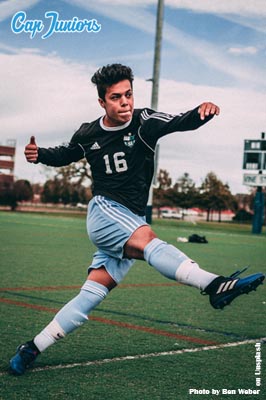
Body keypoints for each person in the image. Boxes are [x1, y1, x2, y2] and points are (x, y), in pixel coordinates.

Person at [10, 63, 264, 375]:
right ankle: (215, 285)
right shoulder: (88, 132)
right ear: (102, 102)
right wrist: (40, 154)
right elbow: (66, 153)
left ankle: (32, 347)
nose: (126, 102)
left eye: (129, 94)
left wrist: (202, 111)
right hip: (105, 213)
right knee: (149, 241)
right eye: (116, 97)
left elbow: (179, 121)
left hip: (129, 220)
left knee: (89, 297)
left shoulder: (144, 121)